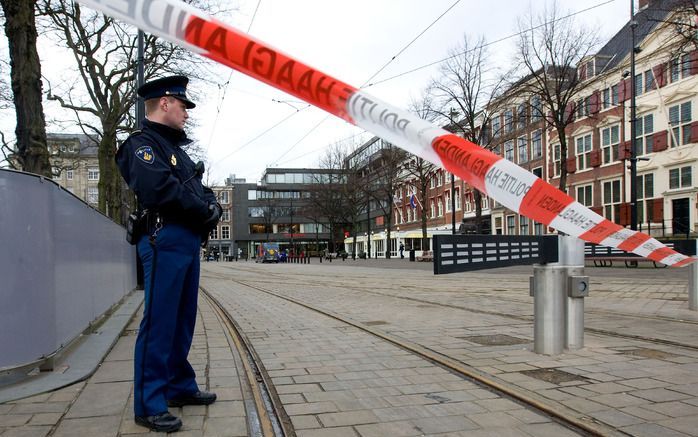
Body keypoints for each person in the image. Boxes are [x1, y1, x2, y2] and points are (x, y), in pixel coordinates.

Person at [115, 75, 219, 433]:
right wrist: (204, 209)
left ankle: (178, 386)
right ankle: (149, 403)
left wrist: (212, 204)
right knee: (160, 321)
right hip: (163, 237)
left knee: (182, 318)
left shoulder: (176, 150)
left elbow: (197, 189)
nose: (187, 113)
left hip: (185, 239)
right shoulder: (141, 145)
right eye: (183, 106)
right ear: (164, 103)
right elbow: (160, 188)